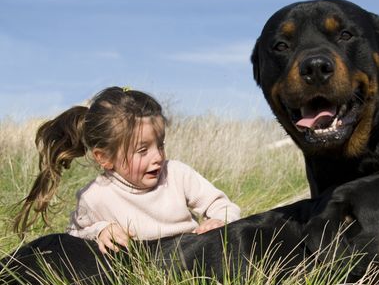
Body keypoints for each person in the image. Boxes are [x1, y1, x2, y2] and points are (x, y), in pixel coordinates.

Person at [14, 86, 241, 254]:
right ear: (105, 158)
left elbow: (220, 204)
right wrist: (101, 230)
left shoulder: (177, 174)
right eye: (142, 150)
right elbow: (74, 237)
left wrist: (219, 219)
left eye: (160, 144)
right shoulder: (95, 196)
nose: (158, 157)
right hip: (138, 271)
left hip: (188, 259)